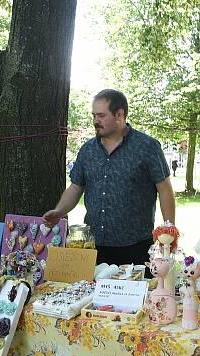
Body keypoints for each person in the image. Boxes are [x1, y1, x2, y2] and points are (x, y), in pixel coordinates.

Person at [42, 89, 175, 267]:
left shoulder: (147, 147)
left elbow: (165, 189)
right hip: (94, 247)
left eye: (101, 115)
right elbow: (75, 187)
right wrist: (59, 211)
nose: (96, 121)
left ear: (120, 114)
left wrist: (169, 230)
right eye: (94, 115)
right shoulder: (87, 150)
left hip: (136, 246)